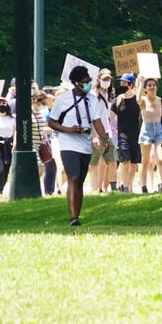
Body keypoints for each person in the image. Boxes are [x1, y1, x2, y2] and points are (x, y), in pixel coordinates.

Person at [49, 65, 111, 226]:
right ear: (76, 83)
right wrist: (68, 129)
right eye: (85, 82)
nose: (88, 84)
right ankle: (73, 217)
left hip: (85, 143)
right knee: (73, 177)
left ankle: (77, 213)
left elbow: (97, 122)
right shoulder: (63, 99)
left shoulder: (92, 99)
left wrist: (105, 140)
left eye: (89, 81)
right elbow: (52, 122)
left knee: (80, 181)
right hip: (68, 143)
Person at [111, 73, 142, 193]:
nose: (121, 85)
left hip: (136, 136)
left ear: (130, 85)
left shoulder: (138, 100)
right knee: (125, 162)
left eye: (124, 83)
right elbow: (109, 117)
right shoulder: (117, 100)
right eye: (121, 83)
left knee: (134, 164)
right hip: (122, 136)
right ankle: (125, 187)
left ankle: (129, 185)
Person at [136, 76, 162, 193]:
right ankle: (144, 186)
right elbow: (137, 99)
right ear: (145, 89)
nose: (152, 87)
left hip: (159, 129)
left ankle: (161, 185)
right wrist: (140, 82)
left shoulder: (161, 101)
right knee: (145, 161)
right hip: (146, 130)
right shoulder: (143, 100)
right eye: (149, 85)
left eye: (154, 85)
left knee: (159, 159)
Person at [89, 68, 118, 192]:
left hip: (107, 133)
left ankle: (113, 189)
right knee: (94, 163)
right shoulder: (93, 95)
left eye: (109, 79)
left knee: (112, 161)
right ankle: (95, 190)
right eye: (104, 79)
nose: (107, 81)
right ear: (99, 79)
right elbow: (90, 118)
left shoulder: (109, 94)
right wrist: (94, 135)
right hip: (97, 132)